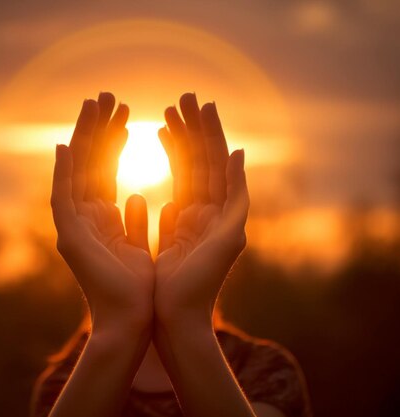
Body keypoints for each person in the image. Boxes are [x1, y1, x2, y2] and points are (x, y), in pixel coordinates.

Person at [32, 92, 312, 417]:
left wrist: (187, 322)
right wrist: (116, 325)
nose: (151, 254)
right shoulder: (66, 385)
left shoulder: (264, 372)